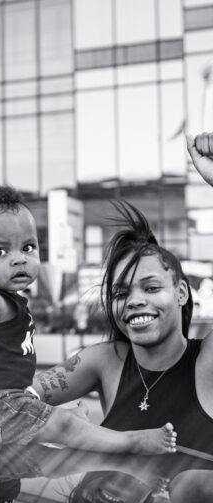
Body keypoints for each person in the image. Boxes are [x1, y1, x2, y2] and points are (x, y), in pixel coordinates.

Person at [0, 182, 177, 455]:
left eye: (27, 247)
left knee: (51, 420)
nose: (18, 259)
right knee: (62, 425)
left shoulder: (9, 297)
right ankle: (130, 442)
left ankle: (72, 424)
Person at [32, 173, 213, 455]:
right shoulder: (106, 360)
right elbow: (10, 403)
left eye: (151, 288)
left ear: (181, 293)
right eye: (120, 294)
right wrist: (67, 426)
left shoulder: (206, 359)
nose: (134, 301)